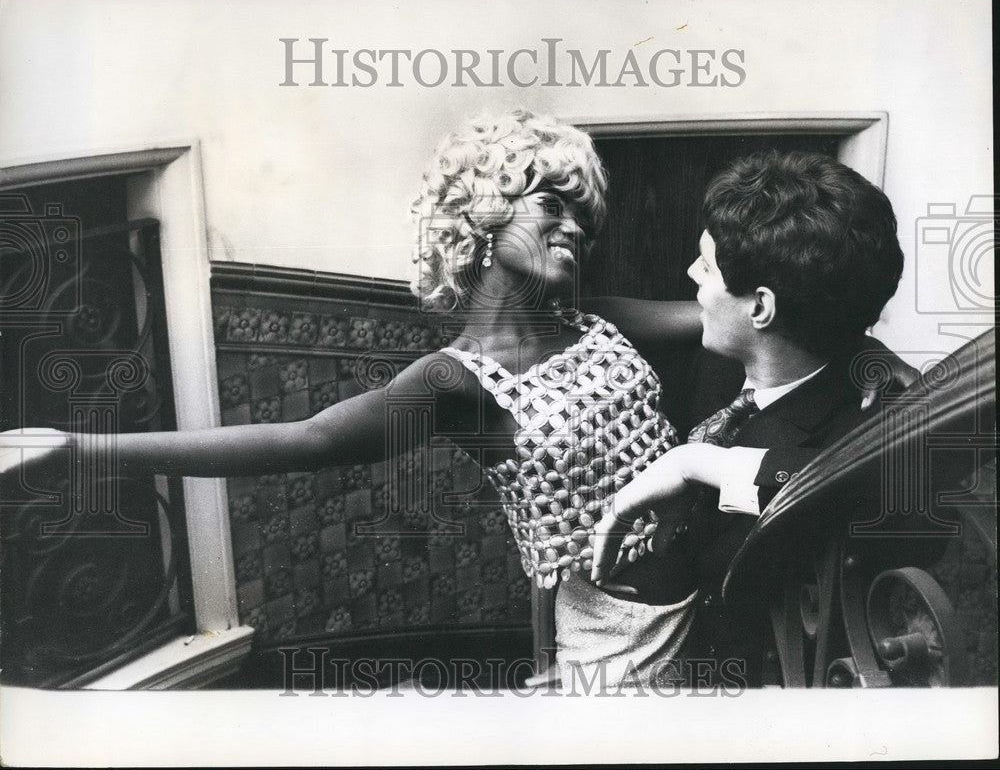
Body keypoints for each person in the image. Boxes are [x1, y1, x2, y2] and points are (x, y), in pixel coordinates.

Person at [1, 109, 709, 689]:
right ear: (483, 217)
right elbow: (304, 439)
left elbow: (729, 319)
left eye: (585, 214)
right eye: (552, 204)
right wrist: (80, 448)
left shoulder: (602, 318)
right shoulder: (457, 379)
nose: (579, 228)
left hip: (703, 590)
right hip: (619, 642)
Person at [590, 149, 909, 686]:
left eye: (707, 265)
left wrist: (698, 463)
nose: (691, 273)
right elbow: (587, 314)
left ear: (761, 307)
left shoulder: (867, 421)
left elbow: (860, 488)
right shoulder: (719, 360)